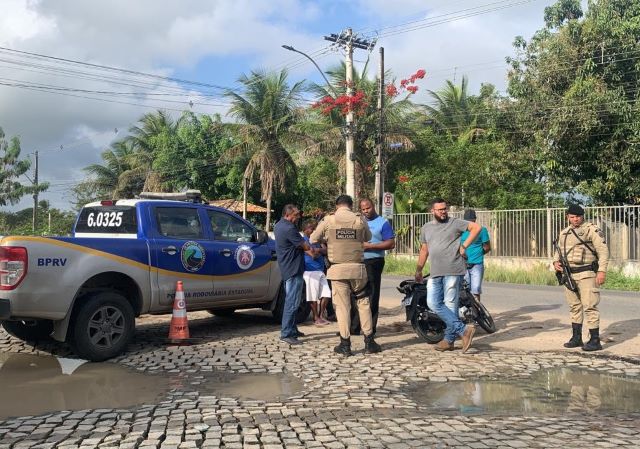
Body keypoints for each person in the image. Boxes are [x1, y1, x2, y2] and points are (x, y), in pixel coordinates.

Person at [311, 195, 382, 356]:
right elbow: (368, 238)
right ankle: (369, 341)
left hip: (338, 270)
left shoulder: (329, 220)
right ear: (351, 205)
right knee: (363, 303)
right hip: (358, 270)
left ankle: (345, 344)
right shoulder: (359, 219)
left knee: (342, 307)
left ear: (337, 206)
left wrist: (327, 237)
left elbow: (313, 238)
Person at [415, 198, 482, 353]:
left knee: (451, 303)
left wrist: (464, 246)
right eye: (439, 209)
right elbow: (424, 250)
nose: (443, 211)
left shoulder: (455, 223)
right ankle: (463, 330)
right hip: (435, 271)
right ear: (432, 211)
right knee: (433, 303)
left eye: (444, 208)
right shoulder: (426, 228)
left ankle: (449, 340)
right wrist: (418, 270)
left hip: (453, 269)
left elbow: (476, 228)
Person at [553, 204, 609, 351]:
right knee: (574, 306)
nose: (575, 219)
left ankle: (595, 340)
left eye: (578, 216)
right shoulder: (564, 232)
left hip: (587, 274)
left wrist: (602, 271)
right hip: (569, 275)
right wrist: (555, 262)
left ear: (582, 216)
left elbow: (603, 251)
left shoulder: (592, 230)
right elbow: (558, 251)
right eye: (572, 217)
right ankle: (576, 337)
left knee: (590, 306)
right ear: (567, 217)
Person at [349, 198, 395, 336]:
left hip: (374, 261)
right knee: (355, 294)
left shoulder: (383, 223)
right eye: (363, 209)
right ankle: (354, 327)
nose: (366, 211)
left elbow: (391, 243)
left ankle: (370, 329)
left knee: (372, 294)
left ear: (373, 206)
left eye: (368, 208)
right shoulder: (357, 221)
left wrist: (371, 246)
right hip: (357, 261)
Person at [274, 204, 317, 345]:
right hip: (293, 268)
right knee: (292, 302)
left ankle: (292, 329)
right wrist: (310, 248)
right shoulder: (288, 227)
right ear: (288, 214)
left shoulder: (279, 225)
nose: (298, 218)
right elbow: (304, 245)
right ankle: (286, 332)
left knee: (293, 300)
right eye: (295, 215)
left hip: (288, 267)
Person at [301, 219, 331, 326]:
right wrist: (318, 251)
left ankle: (321, 315)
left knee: (327, 294)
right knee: (312, 296)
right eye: (311, 228)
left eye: (314, 228)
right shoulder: (303, 240)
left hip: (320, 270)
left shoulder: (317, 240)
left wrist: (317, 250)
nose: (313, 231)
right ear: (305, 229)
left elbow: (326, 250)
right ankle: (315, 317)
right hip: (310, 271)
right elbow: (312, 255)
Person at [461, 209, 491, 302]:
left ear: (475, 220)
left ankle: (477, 312)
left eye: (471, 220)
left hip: (477, 264)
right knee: (464, 290)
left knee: (476, 290)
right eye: (468, 221)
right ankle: (466, 311)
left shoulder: (482, 230)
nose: (470, 222)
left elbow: (487, 247)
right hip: (462, 264)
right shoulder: (460, 230)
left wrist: (478, 254)